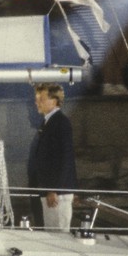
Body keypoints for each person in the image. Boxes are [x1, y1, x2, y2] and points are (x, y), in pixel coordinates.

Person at [27, 83, 77, 232]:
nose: (37, 103)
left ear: (54, 101)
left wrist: (55, 189)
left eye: (41, 99)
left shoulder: (60, 122)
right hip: (49, 191)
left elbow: (65, 158)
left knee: (59, 233)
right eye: (37, 99)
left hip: (56, 193)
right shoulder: (48, 122)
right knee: (51, 232)